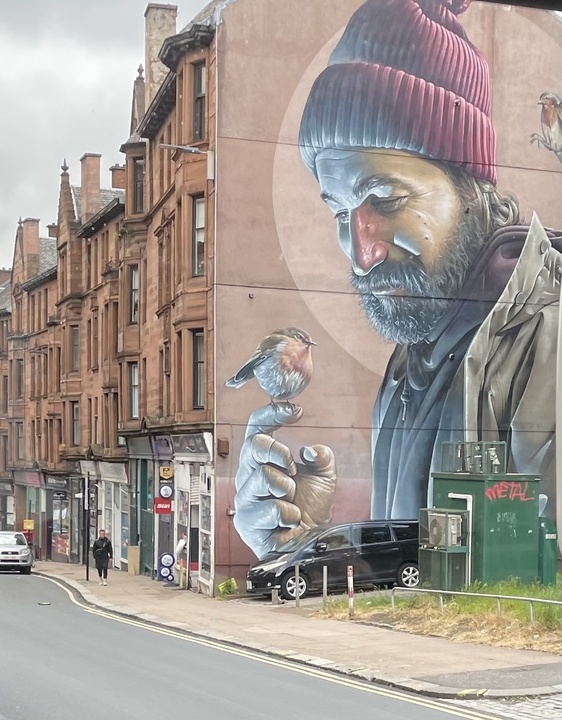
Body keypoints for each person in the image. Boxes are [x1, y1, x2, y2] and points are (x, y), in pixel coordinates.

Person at [234, 0, 561, 559]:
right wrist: (310, 545)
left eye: (383, 198)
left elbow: (526, 605)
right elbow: (422, 581)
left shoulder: (547, 344)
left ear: (469, 185)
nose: (362, 254)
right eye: (340, 213)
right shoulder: (417, 358)